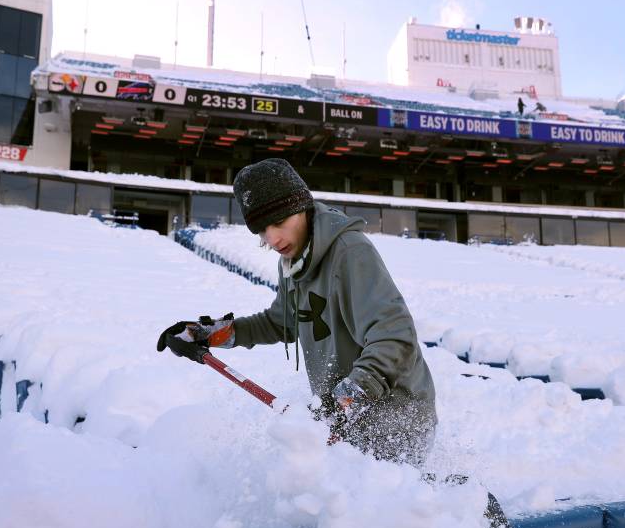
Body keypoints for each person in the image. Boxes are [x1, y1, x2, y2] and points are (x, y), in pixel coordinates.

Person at [159, 158, 437, 467]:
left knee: (387, 510)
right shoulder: (292, 262)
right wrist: (210, 334)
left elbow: (396, 337)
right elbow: (281, 322)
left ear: (300, 206)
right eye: (262, 230)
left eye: (279, 222)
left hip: (392, 418)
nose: (273, 239)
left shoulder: (350, 252)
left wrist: (353, 393)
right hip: (345, 420)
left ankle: (466, 507)